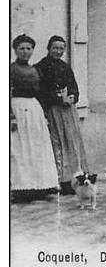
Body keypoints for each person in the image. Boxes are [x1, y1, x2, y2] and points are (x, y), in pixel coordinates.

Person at [35, 35, 88, 194]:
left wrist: (72, 97)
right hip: (52, 110)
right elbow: (39, 91)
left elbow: (74, 87)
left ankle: (73, 179)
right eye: (55, 48)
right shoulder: (40, 67)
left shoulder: (65, 67)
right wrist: (57, 98)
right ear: (48, 48)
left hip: (68, 111)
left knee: (72, 143)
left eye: (61, 48)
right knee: (55, 144)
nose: (58, 51)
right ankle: (57, 179)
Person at [10, 34, 59, 201]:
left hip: (34, 110)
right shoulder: (10, 69)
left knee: (37, 147)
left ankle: (40, 185)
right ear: (15, 50)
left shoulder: (35, 70)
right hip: (17, 109)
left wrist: (44, 113)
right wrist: (10, 117)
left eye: (28, 48)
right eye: (21, 48)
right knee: (20, 148)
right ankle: (20, 187)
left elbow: (41, 93)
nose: (25, 52)